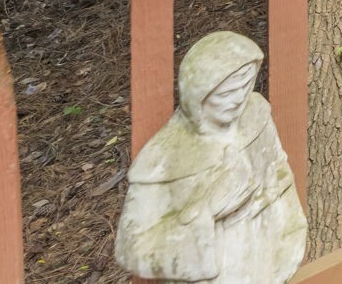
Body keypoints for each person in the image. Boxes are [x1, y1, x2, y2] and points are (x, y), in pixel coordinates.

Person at [115, 31, 307, 283]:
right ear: (197, 96)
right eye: (226, 93)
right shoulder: (163, 157)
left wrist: (289, 238)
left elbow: (281, 178)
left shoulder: (256, 116)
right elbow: (132, 248)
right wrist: (204, 213)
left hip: (263, 258)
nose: (238, 100)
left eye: (245, 86)